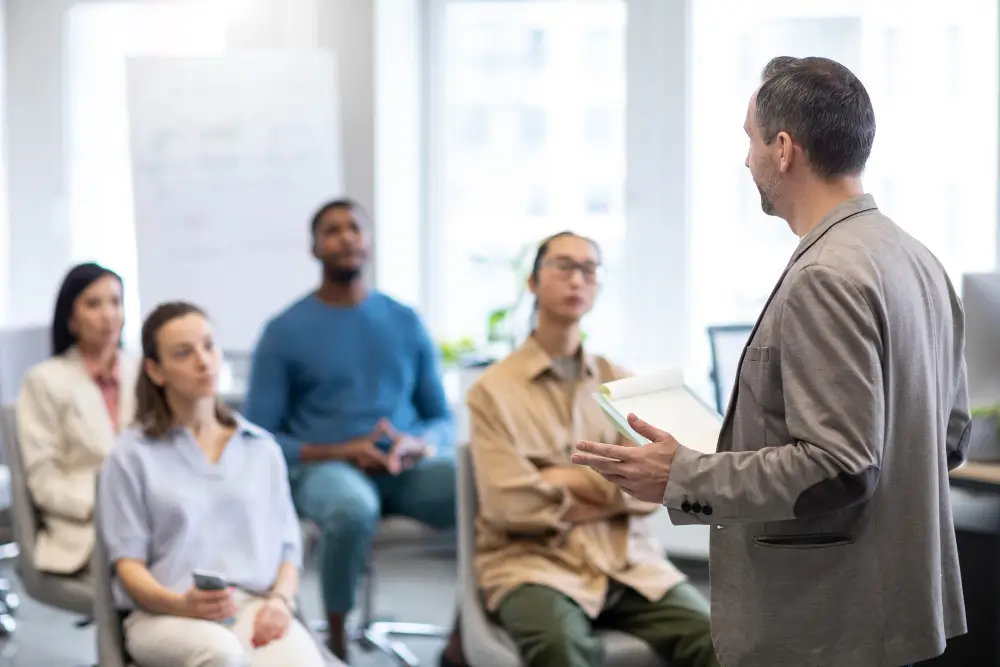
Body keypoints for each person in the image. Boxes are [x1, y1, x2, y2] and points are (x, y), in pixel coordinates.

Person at [572, 56, 969, 667]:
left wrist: (681, 475)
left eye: (750, 140)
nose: (747, 159)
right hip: (893, 614)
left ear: (783, 149)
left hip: (825, 626)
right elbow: (950, 437)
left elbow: (839, 466)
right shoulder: (917, 260)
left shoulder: (827, 276)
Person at [468, 231, 719, 667]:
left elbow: (652, 492)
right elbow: (509, 507)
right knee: (561, 650)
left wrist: (555, 478)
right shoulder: (491, 391)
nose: (577, 279)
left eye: (589, 269)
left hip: (628, 562)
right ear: (532, 282)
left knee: (721, 640)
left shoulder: (620, 381)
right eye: (564, 266)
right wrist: (612, 486)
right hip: (534, 567)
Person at [244, 198, 466, 665]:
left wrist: (416, 443)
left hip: (403, 468)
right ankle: (337, 646)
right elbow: (259, 438)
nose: (345, 237)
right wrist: (344, 450)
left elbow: (441, 418)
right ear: (314, 247)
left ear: (368, 240)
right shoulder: (284, 331)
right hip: (324, 468)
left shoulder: (404, 320)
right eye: (332, 230)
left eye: (354, 228)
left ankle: (463, 636)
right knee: (352, 508)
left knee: (479, 488)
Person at [97, 302, 335, 667]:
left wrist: (279, 602)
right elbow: (128, 567)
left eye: (209, 346)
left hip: (252, 606)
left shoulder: (261, 449)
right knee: (223, 656)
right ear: (155, 371)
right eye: (183, 353)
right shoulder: (131, 456)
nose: (204, 361)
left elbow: (289, 550)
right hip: (165, 614)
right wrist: (180, 604)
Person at [17, 262, 138, 575]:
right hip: (85, 527)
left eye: (115, 301)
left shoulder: (143, 373)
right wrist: (98, 506)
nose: (109, 314)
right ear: (71, 318)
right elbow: (43, 479)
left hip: (145, 518)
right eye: (93, 304)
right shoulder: (45, 380)